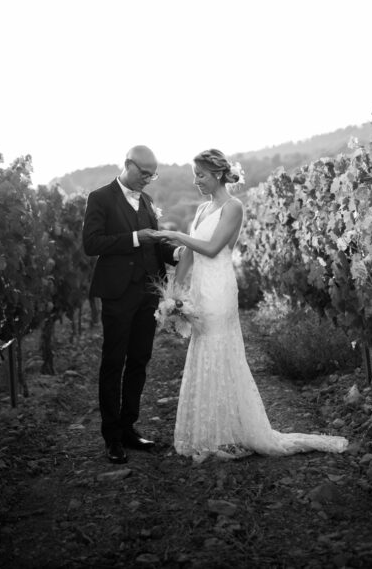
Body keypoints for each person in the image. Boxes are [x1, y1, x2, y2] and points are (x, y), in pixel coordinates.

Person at [157, 149, 348, 462]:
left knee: (219, 349)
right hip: (201, 289)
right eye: (195, 175)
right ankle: (209, 432)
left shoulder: (234, 207)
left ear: (218, 174)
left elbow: (212, 247)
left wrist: (176, 234)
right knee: (203, 350)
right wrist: (174, 292)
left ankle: (232, 432)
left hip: (219, 288)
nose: (197, 181)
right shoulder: (203, 208)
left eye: (201, 175)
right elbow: (190, 254)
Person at [82, 145, 182, 464]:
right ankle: (111, 437)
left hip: (148, 293)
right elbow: (91, 244)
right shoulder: (100, 198)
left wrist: (179, 254)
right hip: (118, 293)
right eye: (144, 173)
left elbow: (155, 246)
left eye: (153, 175)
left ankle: (128, 427)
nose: (148, 180)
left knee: (140, 359)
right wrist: (136, 237)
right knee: (114, 362)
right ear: (128, 165)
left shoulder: (147, 202)